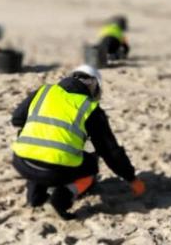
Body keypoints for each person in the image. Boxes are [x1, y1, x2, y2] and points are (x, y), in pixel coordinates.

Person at [10, 64, 146, 219]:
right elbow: (110, 151)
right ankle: (61, 199)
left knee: (41, 154)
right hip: (54, 171)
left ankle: (35, 198)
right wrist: (131, 178)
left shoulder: (44, 91)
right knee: (90, 167)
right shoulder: (90, 108)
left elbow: (17, 119)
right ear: (95, 87)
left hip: (21, 162)